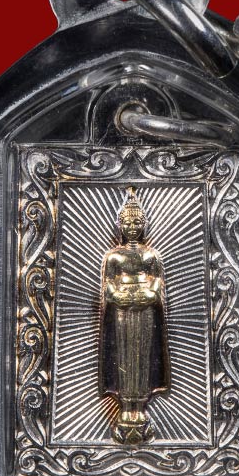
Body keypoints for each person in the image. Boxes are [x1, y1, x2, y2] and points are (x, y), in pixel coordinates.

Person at [99, 188, 169, 444]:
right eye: (127, 223)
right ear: (120, 225)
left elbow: (157, 282)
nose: (132, 227)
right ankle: (126, 406)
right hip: (122, 309)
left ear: (143, 224)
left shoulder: (150, 255)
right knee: (124, 354)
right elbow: (108, 285)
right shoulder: (114, 256)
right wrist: (118, 296)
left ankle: (139, 407)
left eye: (136, 222)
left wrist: (149, 295)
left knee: (142, 355)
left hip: (144, 309)